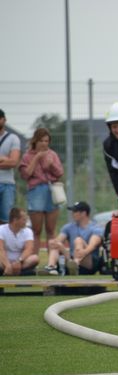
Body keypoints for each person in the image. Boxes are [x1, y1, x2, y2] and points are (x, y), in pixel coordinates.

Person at [18, 128, 64, 256]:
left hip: (52, 191)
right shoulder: (27, 156)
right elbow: (26, 174)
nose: (44, 144)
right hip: (36, 191)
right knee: (36, 230)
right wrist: (37, 157)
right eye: (41, 141)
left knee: (51, 230)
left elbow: (60, 173)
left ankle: (52, 263)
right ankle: (33, 261)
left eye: (46, 141)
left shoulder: (52, 154)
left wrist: (51, 165)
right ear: (35, 141)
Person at [44, 201, 103, 276]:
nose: (72, 214)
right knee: (55, 244)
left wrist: (81, 253)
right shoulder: (68, 227)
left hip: (89, 262)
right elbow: (58, 241)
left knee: (78, 240)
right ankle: (51, 267)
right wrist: (55, 244)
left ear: (83, 213)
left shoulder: (95, 228)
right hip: (71, 258)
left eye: (75, 211)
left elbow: (92, 246)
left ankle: (75, 264)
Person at [0, 208, 39, 276]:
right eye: (24, 219)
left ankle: (8, 271)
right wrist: (7, 265)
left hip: (21, 261)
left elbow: (29, 249)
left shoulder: (28, 231)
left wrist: (19, 261)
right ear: (15, 220)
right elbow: (1, 250)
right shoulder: (1, 229)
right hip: (4, 260)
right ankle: (20, 272)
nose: (26, 222)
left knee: (35, 258)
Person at [0, 109, 21, 224]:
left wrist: (9, 160)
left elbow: (13, 162)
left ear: (4, 120)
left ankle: (4, 242)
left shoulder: (13, 138)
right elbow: (10, 161)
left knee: (6, 219)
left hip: (7, 184)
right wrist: (4, 159)